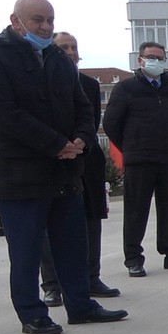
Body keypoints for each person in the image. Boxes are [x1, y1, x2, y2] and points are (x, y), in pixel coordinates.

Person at [0, 0, 128, 334]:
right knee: (27, 249)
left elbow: (83, 107)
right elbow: (5, 112)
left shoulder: (58, 59)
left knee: (72, 244)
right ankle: (32, 313)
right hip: (22, 173)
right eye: (37, 20)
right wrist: (54, 144)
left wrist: (81, 140)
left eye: (50, 21)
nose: (45, 27)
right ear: (16, 22)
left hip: (65, 171)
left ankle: (81, 304)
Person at [103, 41, 168, 278]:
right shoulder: (125, 89)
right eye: (151, 57)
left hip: (167, 156)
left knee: (167, 208)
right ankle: (133, 257)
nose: (156, 62)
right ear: (141, 60)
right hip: (139, 158)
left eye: (160, 58)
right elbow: (111, 124)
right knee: (136, 209)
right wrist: (130, 145)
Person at [38, 31, 120, 301]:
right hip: (54, 159)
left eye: (74, 47)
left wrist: (80, 143)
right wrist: (61, 146)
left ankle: (91, 278)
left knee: (91, 219)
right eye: (63, 47)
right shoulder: (40, 82)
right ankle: (52, 285)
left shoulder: (89, 84)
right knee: (52, 225)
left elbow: (90, 118)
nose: (70, 52)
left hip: (87, 160)